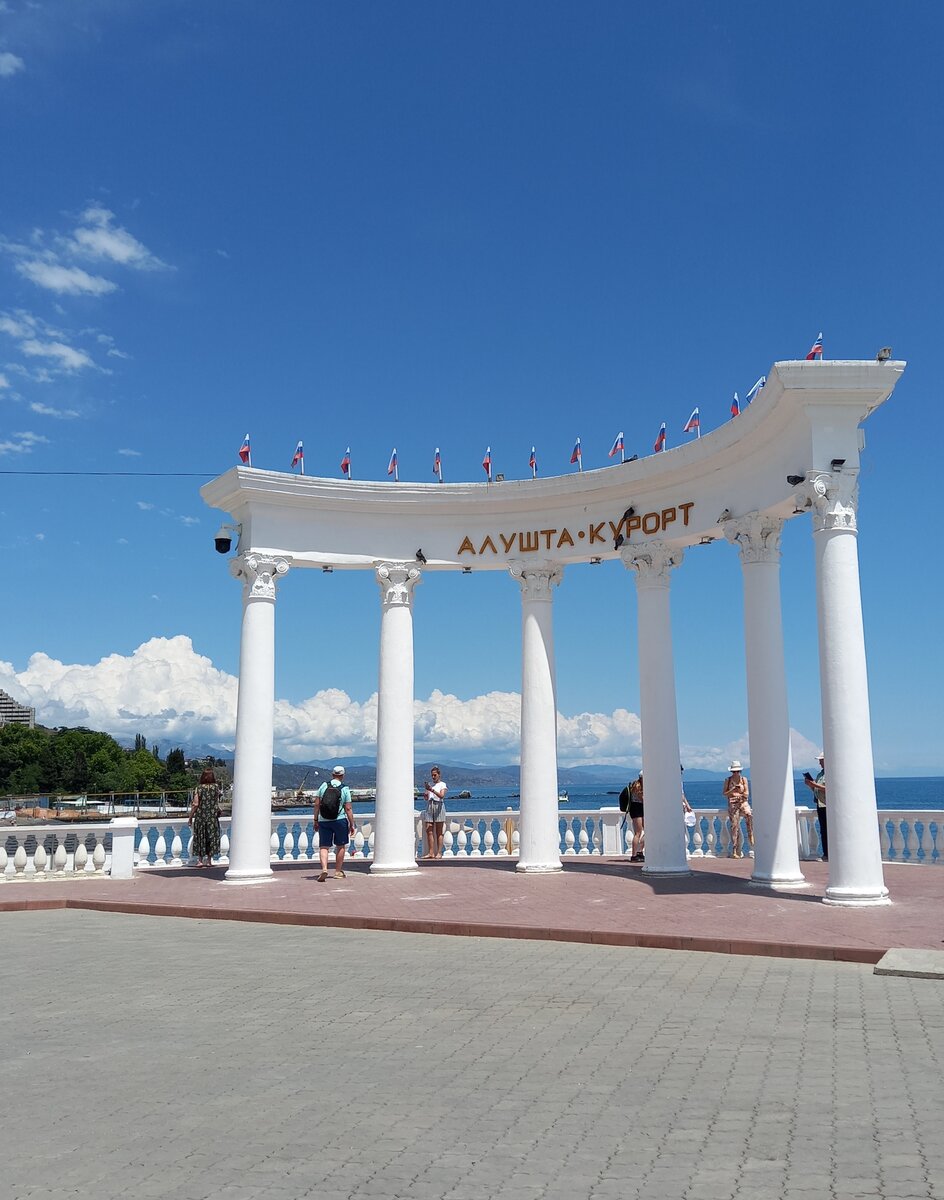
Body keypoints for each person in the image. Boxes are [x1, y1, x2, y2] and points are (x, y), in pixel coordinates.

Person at [315, 765, 354, 882]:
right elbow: (348, 808)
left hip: (324, 820)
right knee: (340, 846)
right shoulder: (345, 788)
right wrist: (352, 824)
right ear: (343, 775)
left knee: (324, 846)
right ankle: (338, 871)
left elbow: (317, 804)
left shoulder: (324, 786)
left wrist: (316, 820)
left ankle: (324, 869)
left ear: (332, 774)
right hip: (339, 820)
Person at [189, 767, 222, 868]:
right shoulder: (216, 787)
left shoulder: (199, 788)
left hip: (201, 817)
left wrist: (190, 817)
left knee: (200, 837)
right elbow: (216, 801)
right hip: (212, 817)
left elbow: (196, 804)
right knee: (211, 837)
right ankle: (209, 860)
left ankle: (200, 861)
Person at [722, 761, 753, 858]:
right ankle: (735, 850)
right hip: (733, 804)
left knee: (749, 814)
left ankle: (750, 834)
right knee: (734, 826)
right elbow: (724, 793)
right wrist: (732, 790)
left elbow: (747, 793)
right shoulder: (728, 780)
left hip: (742, 802)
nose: (736, 773)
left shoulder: (744, 780)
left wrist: (740, 793)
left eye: (738, 771)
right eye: (734, 772)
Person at [421, 765, 448, 859]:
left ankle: (439, 852)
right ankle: (431, 852)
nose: (433, 777)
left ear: (439, 775)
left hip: (438, 806)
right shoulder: (431, 785)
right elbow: (427, 798)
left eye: (435, 775)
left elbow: (441, 796)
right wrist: (426, 793)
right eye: (432, 775)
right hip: (430, 806)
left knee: (439, 832)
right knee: (429, 830)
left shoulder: (442, 784)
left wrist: (432, 790)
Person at [805, 753, 827, 860]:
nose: (819, 763)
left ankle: (830, 853)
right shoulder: (820, 775)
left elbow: (829, 788)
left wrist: (814, 785)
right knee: (823, 830)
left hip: (827, 805)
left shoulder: (830, 773)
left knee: (828, 829)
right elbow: (817, 789)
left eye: (821, 760)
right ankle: (826, 853)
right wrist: (811, 785)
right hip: (820, 804)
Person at [628, 771, 645, 862]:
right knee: (638, 833)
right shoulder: (637, 786)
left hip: (638, 809)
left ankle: (639, 851)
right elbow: (643, 799)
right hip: (637, 809)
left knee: (648, 831)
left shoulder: (637, 785)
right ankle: (634, 855)